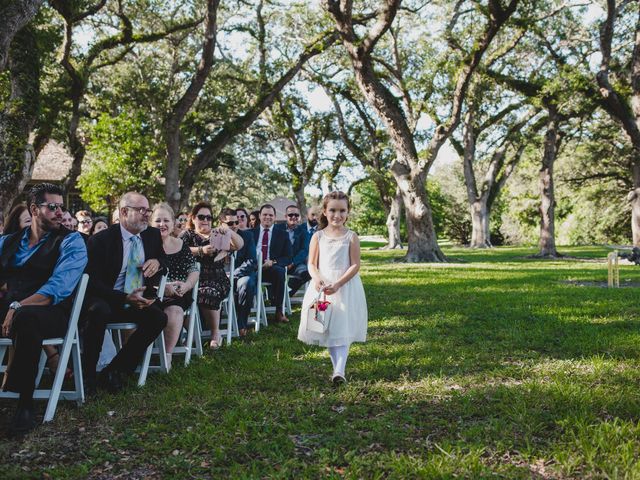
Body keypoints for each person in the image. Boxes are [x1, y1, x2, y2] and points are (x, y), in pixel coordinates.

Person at [0, 183, 87, 435]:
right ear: (35, 210)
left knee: (26, 318)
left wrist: (17, 306)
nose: (60, 212)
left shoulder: (71, 242)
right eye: (53, 207)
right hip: (10, 309)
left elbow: (57, 289)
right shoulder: (7, 242)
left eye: (61, 207)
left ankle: (25, 405)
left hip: (53, 313)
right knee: (22, 316)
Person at [83, 192, 168, 394]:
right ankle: (88, 377)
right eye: (141, 210)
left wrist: (157, 262)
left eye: (148, 210)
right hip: (106, 298)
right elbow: (91, 283)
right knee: (97, 311)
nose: (146, 214)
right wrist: (123, 297)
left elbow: (163, 260)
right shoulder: (100, 241)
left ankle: (115, 371)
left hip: (136, 298)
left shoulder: (152, 235)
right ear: (123, 212)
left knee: (158, 318)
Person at [297, 191, 367, 386]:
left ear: (348, 212)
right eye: (333, 210)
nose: (338, 215)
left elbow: (355, 265)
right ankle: (337, 368)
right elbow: (311, 263)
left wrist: (338, 284)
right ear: (325, 212)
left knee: (342, 327)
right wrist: (317, 278)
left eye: (342, 211)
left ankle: (339, 370)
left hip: (344, 286)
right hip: (322, 286)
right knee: (328, 328)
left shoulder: (351, 237)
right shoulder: (318, 236)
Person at [181, 202, 243, 349]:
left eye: (209, 217)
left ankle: (215, 333)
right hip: (191, 279)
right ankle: (192, 333)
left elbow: (239, 245)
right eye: (201, 216)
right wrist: (201, 250)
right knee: (183, 296)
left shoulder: (216, 234)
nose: (205, 220)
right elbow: (180, 250)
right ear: (193, 218)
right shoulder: (187, 234)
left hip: (216, 278)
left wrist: (228, 230)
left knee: (208, 292)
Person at [152, 203, 199, 367]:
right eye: (157, 220)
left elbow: (193, 270)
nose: (161, 224)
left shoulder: (181, 245)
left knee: (174, 310)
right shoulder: (146, 244)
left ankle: (166, 355)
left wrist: (186, 286)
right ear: (151, 223)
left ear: (173, 224)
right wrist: (161, 287)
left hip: (178, 292)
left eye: (166, 220)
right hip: (153, 290)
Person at [252, 204, 291, 323]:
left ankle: (279, 311)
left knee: (280, 272)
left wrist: (273, 262)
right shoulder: (250, 233)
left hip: (271, 268)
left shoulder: (283, 234)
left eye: (270, 215)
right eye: (265, 214)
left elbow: (288, 257)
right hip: (253, 267)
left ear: (274, 217)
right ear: (259, 216)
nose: (267, 217)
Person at [221, 208, 256, 337]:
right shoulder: (215, 237)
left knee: (246, 283)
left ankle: (241, 324)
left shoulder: (247, 236)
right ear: (222, 224)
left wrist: (233, 274)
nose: (235, 226)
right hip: (220, 275)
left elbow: (252, 260)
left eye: (236, 222)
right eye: (230, 224)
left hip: (241, 274)